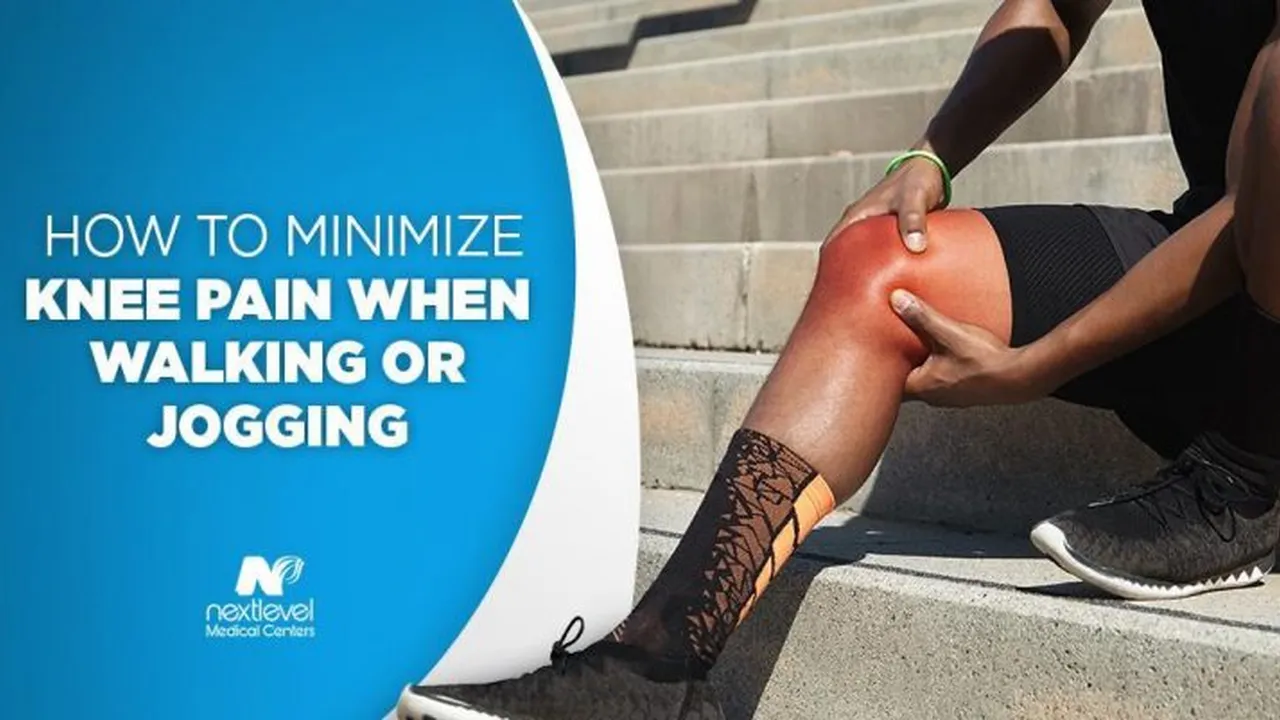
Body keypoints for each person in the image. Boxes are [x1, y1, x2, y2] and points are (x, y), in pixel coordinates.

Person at [396, 0, 1280, 717]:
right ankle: (654, 665)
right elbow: (1053, 8)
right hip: (1220, 264)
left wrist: (1038, 364)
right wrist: (933, 153)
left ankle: (1253, 478)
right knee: (877, 266)